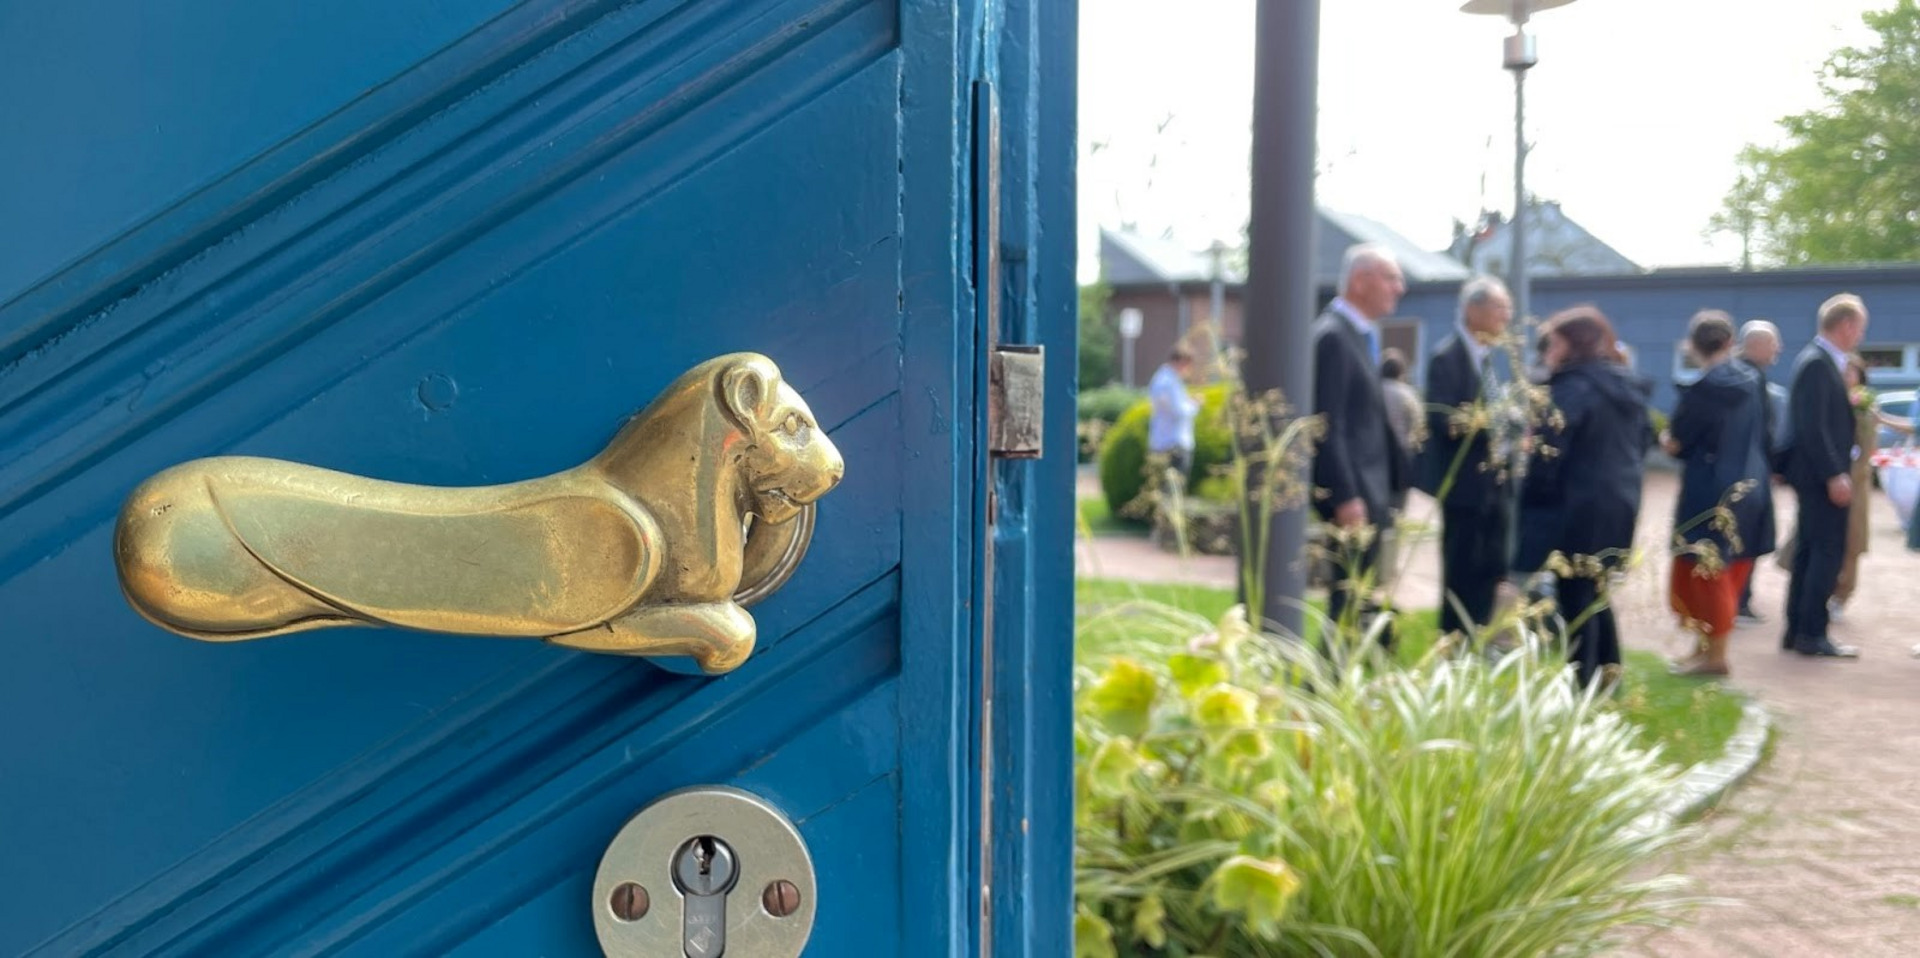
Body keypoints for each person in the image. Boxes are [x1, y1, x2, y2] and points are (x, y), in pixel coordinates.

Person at [1515, 306, 1651, 687]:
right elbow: (1643, 442)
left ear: (1574, 344)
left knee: (1575, 593)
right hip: (1619, 500)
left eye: (1554, 344)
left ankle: (1583, 682)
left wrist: (1532, 498)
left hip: (1575, 504)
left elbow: (1548, 455)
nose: (1549, 352)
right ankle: (1608, 672)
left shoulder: (1571, 388)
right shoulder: (1624, 385)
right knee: (1595, 589)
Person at [1662, 311, 1772, 677]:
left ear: (1693, 346)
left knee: (1703, 570)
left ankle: (1715, 656)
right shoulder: (1753, 380)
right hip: (1751, 483)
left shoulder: (1701, 390)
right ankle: (1705, 650)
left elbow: (1677, 443)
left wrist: (1665, 438)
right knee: (1731, 568)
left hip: (1709, 487)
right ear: (1730, 342)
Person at [1311, 243, 1408, 634]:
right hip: (1353, 498)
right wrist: (1345, 496)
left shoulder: (1359, 335)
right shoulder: (1333, 337)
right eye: (1391, 278)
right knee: (1347, 600)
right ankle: (1329, 671)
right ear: (1360, 281)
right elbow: (1327, 424)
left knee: (1356, 599)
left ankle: (1340, 668)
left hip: (1370, 493)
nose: (1399, 288)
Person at [1420, 275, 1516, 639]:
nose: (1506, 316)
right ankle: (1455, 640)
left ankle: (1481, 637)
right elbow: (1442, 418)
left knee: (1491, 567)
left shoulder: (1489, 359)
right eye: (1499, 307)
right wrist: (1492, 422)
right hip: (1465, 488)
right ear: (1472, 310)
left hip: (1495, 487)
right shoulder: (1447, 358)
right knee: (1462, 568)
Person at [1780, 293, 1869, 658]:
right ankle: (1812, 633)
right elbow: (1813, 427)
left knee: (1809, 551)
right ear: (1846, 325)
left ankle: (1798, 630)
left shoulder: (1819, 360)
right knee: (1825, 552)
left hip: (1816, 476)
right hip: (1821, 478)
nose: (1861, 335)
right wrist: (1834, 474)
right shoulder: (1818, 363)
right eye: (1860, 327)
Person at [1732, 319, 1784, 623]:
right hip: (1745, 474)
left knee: (1748, 538)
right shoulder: (1745, 378)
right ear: (1756, 344)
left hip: (1752, 471)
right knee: (1743, 538)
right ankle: (1736, 601)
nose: (1779, 349)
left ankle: (1741, 599)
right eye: (1774, 343)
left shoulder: (1752, 375)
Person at [1830, 355, 1878, 616]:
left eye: (1850, 372)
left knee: (1852, 540)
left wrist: (1849, 476)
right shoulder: (1829, 400)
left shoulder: (1864, 406)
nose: (1845, 377)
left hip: (1855, 483)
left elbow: (1866, 450)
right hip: (1830, 479)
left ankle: (1842, 593)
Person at [1377, 348, 1423, 590]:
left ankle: (1373, 565)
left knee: (1377, 514)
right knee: (1397, 516)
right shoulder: (1407, 395)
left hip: (1376, 460)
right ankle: (1389, 566)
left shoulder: (1374, 391)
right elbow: (1418, 428)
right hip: (1402, 462)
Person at [1147, 345, 1200, 498]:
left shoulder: (1161, 379)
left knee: (1163, 491)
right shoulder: (1169, 382)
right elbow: (1178, 411)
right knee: (1173, 492)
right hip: (1174, 442)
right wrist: (1195, 405)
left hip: (1161, 441)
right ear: (1181, 362)